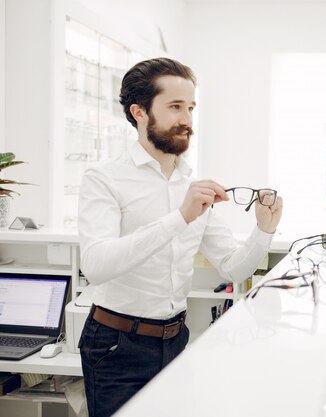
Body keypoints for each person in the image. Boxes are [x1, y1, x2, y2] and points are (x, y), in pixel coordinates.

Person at [77, 57, 284, 417]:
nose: (187, 119)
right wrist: (180, 217)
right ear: (139, 112)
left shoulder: (192, 185)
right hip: (116, 346)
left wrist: (263, 229)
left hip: (175, 341)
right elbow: (96, 266)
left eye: (190, 107)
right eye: (175, 107)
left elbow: (232, 268)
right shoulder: (104, 178)